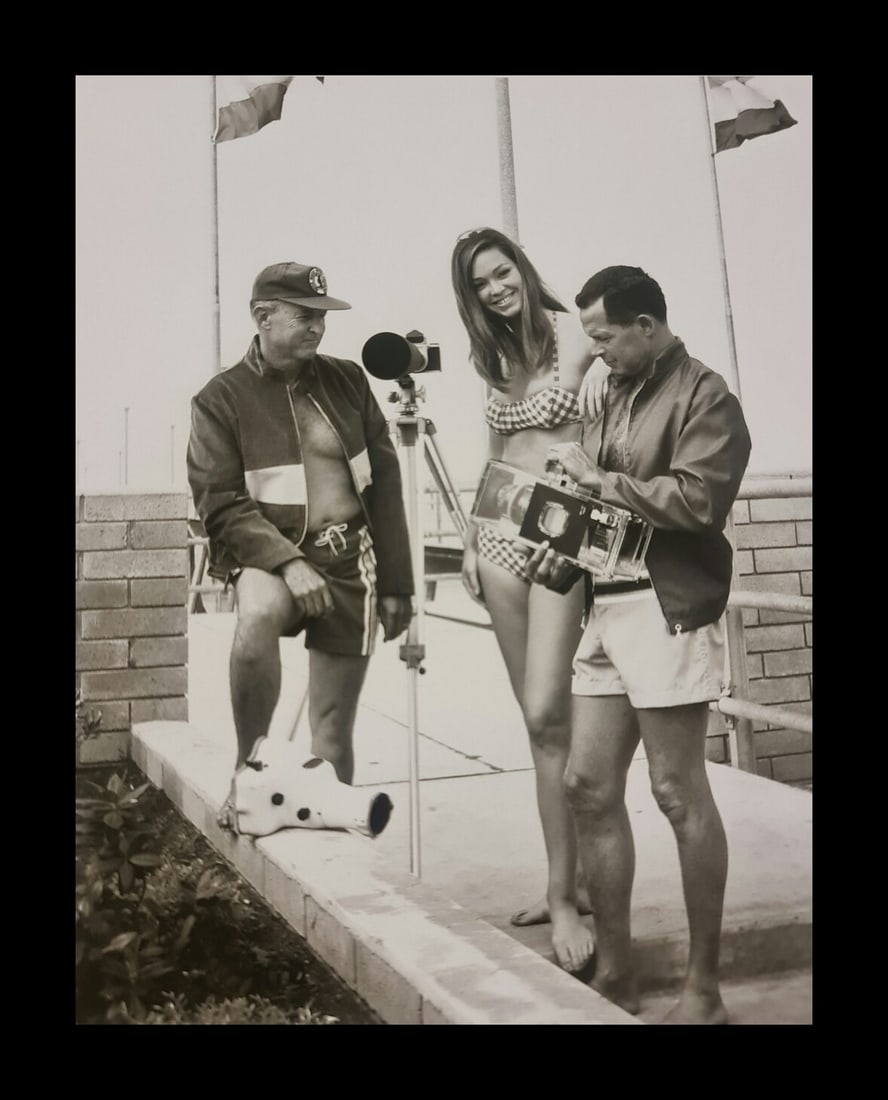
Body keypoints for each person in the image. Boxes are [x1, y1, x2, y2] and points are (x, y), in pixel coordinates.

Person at [525, 265, 752, 1023]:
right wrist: (555, 542)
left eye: (604, 335)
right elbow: (600, 506)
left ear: (647, 325)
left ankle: (704, 991)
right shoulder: (613, 390)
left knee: (677, 794)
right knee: (586, 787)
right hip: (606, 602)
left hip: (667, 607)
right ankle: (617, 977)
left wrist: (596, 482)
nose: (595, 350)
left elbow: (697, 500)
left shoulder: (707, 394)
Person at [187, 261, 414, 826]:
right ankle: (250, 772)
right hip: (270, 552)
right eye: (305, 316)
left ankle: (333, 847)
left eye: (322, 317)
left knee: (333, 728)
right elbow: (219, 503)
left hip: (346, 555)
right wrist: (288, 562)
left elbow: (385, 486)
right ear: (263, 317)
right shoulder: (219, 399)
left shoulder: (348, 380)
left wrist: (398, 584)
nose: (318, 327)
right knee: (257, 614)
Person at [451, 228, 608, 974]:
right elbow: (492, 455)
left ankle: (573, 894)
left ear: (521, 267)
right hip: (499, 532)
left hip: (560, 535)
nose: (494, 288)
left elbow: (603, 429)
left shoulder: (573, 335)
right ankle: (563, 885)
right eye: (479, 282)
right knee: (540, 726)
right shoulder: (492, 355)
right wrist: (472, 546)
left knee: (554, 710)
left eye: (500, 271)